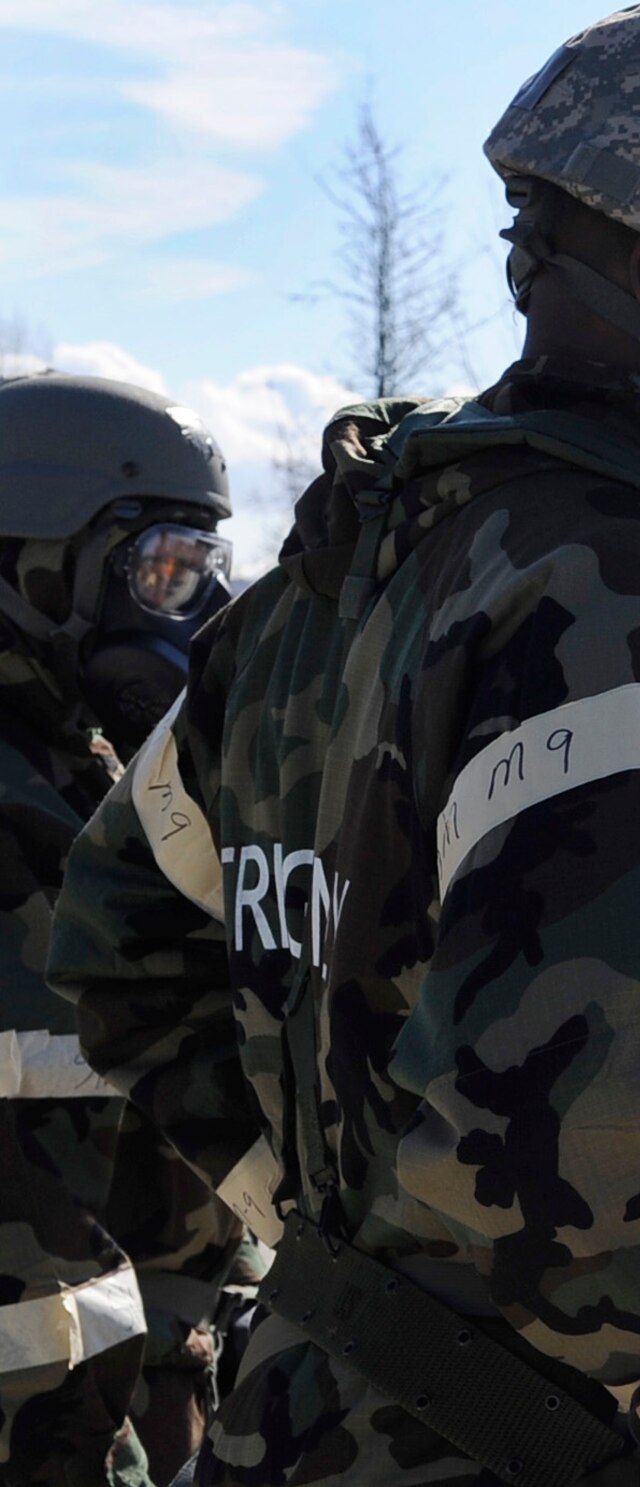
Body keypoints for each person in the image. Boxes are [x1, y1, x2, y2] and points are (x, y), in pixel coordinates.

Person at [46, 7, 640, 1484]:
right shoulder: (629, 592)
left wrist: (320, 1230)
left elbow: (119, 932)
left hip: (300, 1418)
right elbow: (604, 1145)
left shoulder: (338, 576)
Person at [0, 373, 252, 1485]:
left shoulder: (107, 783)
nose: (189, 617)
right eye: (160, 571)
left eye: (201, 573)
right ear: (34, 562)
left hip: (120, 1415)